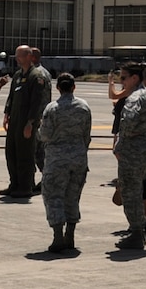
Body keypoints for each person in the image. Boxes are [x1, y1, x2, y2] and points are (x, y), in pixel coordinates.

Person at [113, 62, 146, 250]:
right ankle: (139, 232)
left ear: (135, 78)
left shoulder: (134, 98)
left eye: (124, 78)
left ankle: (136, 232)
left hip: (132, 151)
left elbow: (127, 121)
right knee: (138, 189)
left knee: (130, 193)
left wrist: (123, 140)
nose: (122, 82)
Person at [39, 73, 92, 253]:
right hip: (78, 158)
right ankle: (70, 234)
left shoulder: (52, 109)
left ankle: (57, 236)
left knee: (53, 196)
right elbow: (87, 135)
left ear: (58, 88)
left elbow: (44, 135)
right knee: (72, 196)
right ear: (74, 87)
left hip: (57, 159)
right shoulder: (84, 107)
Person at [0, 45, 51, 199]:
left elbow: (36, 102)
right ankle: (14, 183)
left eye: (20, 55)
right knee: (11, 152)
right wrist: (6, 113)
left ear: (29, 56)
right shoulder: (17, 75)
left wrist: (30, 122)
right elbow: (11, 97)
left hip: (26, 121)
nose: (17, 58)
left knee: (25, 154)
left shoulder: (37, 77)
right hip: (15, 119)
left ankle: (25, 186)